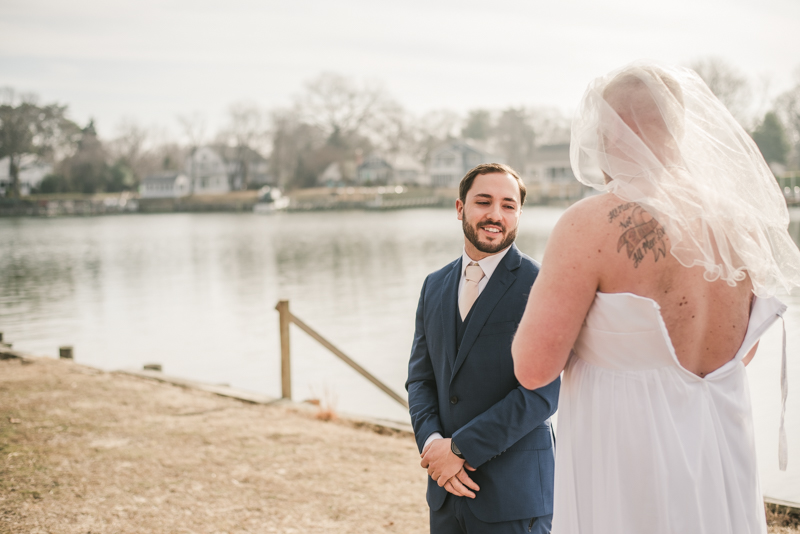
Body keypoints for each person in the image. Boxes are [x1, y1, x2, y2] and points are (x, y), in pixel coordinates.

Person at [511, 61, 800, 534]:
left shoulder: (589, 225)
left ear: (605, 132)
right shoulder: (738, 222)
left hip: (629, 457)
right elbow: (742, 352)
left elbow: (533, 368)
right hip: (721, 446)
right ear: (679, 128)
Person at [406, 163, 560, 534]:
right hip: (445, 491)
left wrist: (460, 450)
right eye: (484, 202)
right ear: (460, 209)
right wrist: (433, 445)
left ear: (519, 214)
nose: (495, 215)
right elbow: (420, 381)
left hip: (515, 495)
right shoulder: (434, 285)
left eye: (508, 205)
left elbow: (543, 393)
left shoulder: (542, 284)